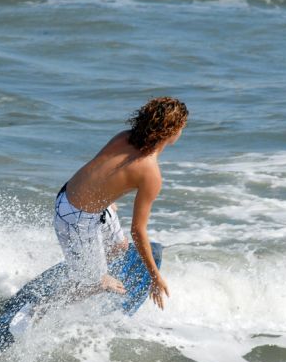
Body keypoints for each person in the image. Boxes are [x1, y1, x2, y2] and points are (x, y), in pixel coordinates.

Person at [54, 96, 188, 310]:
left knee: (119, 246)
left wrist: (108, 200)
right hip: (76, 217)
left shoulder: (123, 137)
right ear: (174, 131)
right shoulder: (151, 173)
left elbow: (98, 172)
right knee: (95, 284)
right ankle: (45, 307)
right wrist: (155, 277)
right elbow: (138, 230)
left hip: (73, 197)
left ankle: (87, 264)